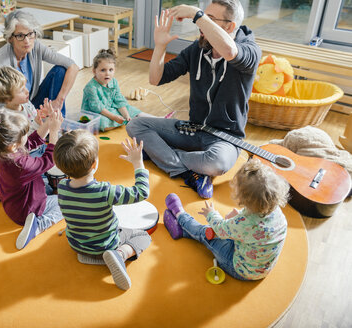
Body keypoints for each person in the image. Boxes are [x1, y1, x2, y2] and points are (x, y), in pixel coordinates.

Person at [126, 0, 261, 199]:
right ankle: (189, 172)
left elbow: (230, 51)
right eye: (203, 18)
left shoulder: (250, 50)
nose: (201, 25)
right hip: (193, 128)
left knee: (217, 163)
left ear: (230, 26)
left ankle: (162, 156)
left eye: (210, 19)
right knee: (136, 126)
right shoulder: (197, 49)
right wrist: (160, 46)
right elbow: (155, 79)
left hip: (225, 138)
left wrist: (197, 13)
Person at [53, 131, 151, 290]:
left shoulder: (62, 187)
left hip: (76, 244)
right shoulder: (106, 192)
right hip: (106, 245)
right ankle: (120, 254)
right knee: (143, 236)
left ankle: (90, 256)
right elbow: (141, 192)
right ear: (94, 164)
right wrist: (138, 163)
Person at [163, 158, 289, 280]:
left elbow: (220, 229)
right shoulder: (277, 213)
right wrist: (239, 216)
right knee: (221, 232)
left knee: (207, 233)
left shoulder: (244, 224)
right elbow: (255, 228)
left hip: (239, 269)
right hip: (262, 267)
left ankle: (181, 216)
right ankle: (183, 232)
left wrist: (211, 214)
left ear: (243, 198)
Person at [0, 100, 64, 250]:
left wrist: (49, 123)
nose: (26, 135)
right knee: (64, 202)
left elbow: (30, 142)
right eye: (23, 133)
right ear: (14, 145)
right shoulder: (21, 165)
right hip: (25, 211)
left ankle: (5, 193)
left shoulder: (3, 150)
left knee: (45, 185)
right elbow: (49, 160)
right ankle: (38, 225)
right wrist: (54, 132)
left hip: (12, 200)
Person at [0, 9, 80, 116]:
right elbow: (4, 103)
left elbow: (73, 66)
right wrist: (36, 115)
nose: (27, 41)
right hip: (11, 112)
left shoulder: (36, 46)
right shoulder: (0, 62)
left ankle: (58, 121)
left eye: (30, 34)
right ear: (10, 38)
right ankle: (51, 126)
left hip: (29, 104)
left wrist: (59, 100)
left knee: (60, 70)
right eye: (20, 36)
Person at [82, 49, 154, 131]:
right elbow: (97, 108)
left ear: (114, 70)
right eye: (103, 70)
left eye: (110, 70)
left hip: (110, 109)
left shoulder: (113, 82)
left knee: (130, 109)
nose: (107, 73)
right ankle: (132, 122)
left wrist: (126, 115)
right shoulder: (91, 87)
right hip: (95, 113)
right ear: (94, 71)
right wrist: (114, 117)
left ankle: (158, 119)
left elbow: (119, 100)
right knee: (102, 122)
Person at [0, 66, 43, 134]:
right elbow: (24, 141)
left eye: (25, 86)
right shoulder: (7, 119)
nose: (27, 91)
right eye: (21, 90)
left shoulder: (27, 103)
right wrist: (37, 124)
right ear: (7, 98)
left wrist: (43, 115)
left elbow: (36, 119)